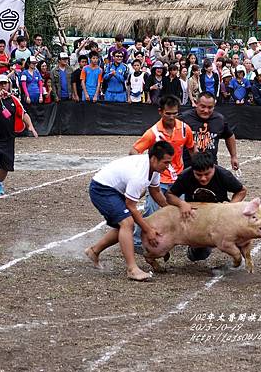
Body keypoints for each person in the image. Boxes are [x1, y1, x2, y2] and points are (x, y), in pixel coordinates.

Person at [85, 140, 175, 281]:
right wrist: (148, 230)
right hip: (101, 189)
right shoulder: (139, 176)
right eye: (166, 162)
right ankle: (132, 269)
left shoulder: (155, 168)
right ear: (154, 159)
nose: (168, 167)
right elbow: (131, 206)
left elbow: (156, 192)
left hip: (113, 189)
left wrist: (172, 210)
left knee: (124, 226)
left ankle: (94, 251)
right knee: (127, 223)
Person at [130, 95, 196, 248]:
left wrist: (197, 167)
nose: (172, 117)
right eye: (168, 113)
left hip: (178, 179)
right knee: (151, 212)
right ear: (160, 112)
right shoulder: (153, 133)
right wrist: (146, 168)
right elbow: (134, 151)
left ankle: (175, 238)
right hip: (158, 180)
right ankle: (138, 242)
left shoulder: (185, 129)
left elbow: (192, 149)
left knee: (180, 211)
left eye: (175, 113)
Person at [165, 151, 246, 262]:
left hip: (220, 215)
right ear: (193, 170)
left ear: (213, 167)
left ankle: (242, 261)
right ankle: (194, 249)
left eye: (207, 174)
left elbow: (241, 191)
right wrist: (181, 203)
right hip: (198, 217)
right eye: (198, 175)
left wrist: (231, 206)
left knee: (241, 234)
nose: (203, 178)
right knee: (199, 255)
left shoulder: (223, 174)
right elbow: (169, 195)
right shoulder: (185, 176)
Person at [180, 90, 239, 170]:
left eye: (210, 107)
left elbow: (229, 136)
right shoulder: (184, 118)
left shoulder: (219, 119)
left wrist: (233, 156)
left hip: (210, 166)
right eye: (203, 106)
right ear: (196, 104)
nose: (206, 110)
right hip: (187, 167)